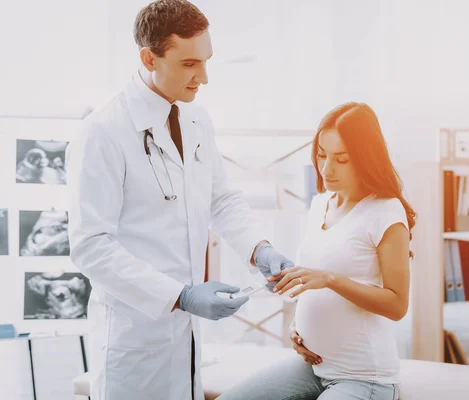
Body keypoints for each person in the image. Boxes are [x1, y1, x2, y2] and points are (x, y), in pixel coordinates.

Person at [66, 1, 293, 399]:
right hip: (135, 336)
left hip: (184, 338)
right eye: (190, 64)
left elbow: (221, 201)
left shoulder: (196, 120)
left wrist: (261, 250)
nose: (203, 77)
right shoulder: (102, 132)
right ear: (149, 58)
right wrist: (180, 295)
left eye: (206, 61)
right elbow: (90, 248)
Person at [218, 102, 416, 400]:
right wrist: (299, 329)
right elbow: (314, 282)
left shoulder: (386, 211)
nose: (326, 168)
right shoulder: (321, 203)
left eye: (341, 159)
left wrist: (330, 279)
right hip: (313, 367)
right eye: (321, 155)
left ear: (365, 159)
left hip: (364, 377)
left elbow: (397, 305)